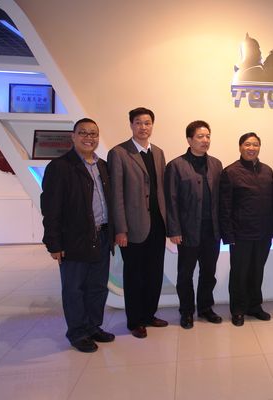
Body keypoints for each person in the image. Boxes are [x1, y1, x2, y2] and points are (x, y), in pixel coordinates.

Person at [41, 118, 115, 352]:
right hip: (74, 238)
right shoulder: (60, 167)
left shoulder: (103, 166)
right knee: (74, 289)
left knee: (98, 286)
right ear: (73, 137)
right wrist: (54, 243)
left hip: (102, 236)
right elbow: (50, 208)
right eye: (83, 133)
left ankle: (93, 326)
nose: (88, 138)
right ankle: (77, 333)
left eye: (93, 133)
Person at [108, 107, 168, 339]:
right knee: (135, 275)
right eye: (138, 123)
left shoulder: (158, 152)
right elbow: (116, 195)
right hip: (133, 227)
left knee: (154, 273)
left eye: (147, 123)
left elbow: (161, 190)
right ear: (131, 125)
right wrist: (120, 229)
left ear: (152, 125)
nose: (143, 127)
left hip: (157, 224)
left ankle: (149, 314)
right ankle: (135, 321)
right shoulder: (119, 153)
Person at [165, 120, 223, 329]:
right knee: (185, 274)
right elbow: (170, 200)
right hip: (187, 230)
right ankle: (187, 311)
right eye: (200, 136)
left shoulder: (216, 164)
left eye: (207, 136)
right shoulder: (176, 165)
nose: (205, 140)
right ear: (189, 140)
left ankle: (206, 308)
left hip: (212, 231)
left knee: (208, 273)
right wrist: (174, 230)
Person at [220, 132, 273, 326]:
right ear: (240, 147)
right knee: (239, 273)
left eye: (255, 144)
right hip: (240, 233)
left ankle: (254, 306)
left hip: (263, 232)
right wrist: (228, 235)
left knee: (257, 271)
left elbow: (272, 201)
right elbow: (225, 206)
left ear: (259, 147)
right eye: (247, 144)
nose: (251, 148)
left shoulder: (267, 171)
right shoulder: (230, 172)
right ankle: (238, 309)